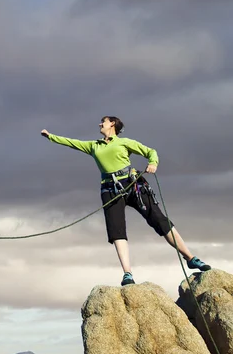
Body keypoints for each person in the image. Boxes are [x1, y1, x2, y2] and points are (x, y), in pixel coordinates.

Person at [41, 116, 211, 286]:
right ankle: (127, 273)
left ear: (112, 124)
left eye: (104, 121)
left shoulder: (124, 142)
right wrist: (51, 136)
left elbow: (150, 151)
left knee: (159, 219)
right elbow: (72, 142)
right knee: (116, 230)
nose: (100, 124)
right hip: (109, 189)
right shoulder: (94, 146)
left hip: (132, 184)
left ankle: (190, 258)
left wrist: (153, 163)